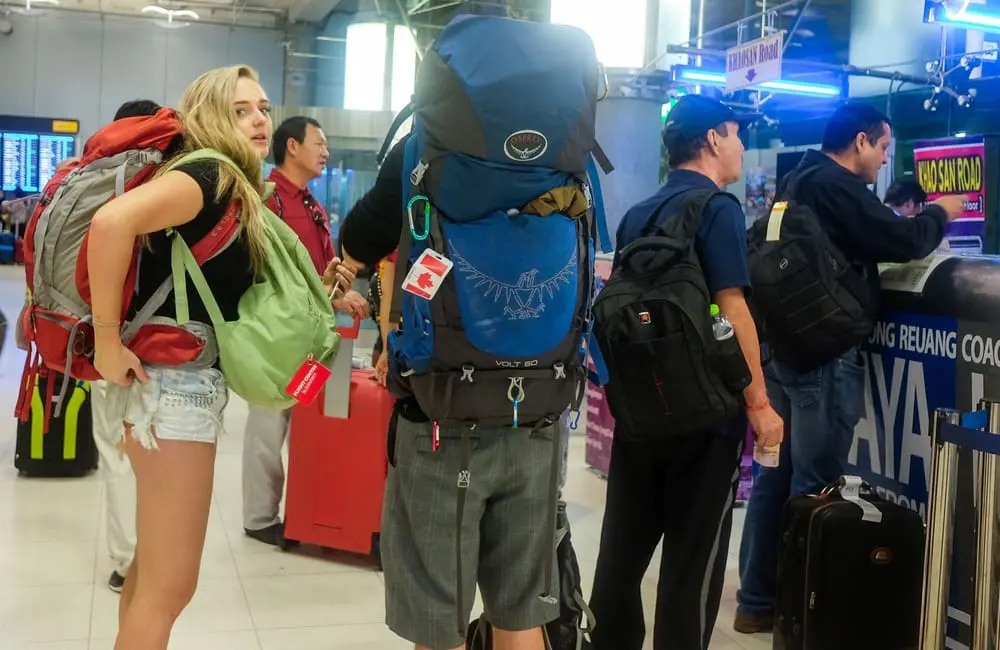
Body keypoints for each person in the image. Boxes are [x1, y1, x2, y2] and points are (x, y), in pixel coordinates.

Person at [86, 64, 350, 650]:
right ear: (209, 117)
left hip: (165, 387)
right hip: (174, 393)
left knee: (151, 577)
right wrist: (106, 341)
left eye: (261, 107)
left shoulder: (225, 182)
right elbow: (110, 224)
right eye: (240, 110)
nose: (259, 119)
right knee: (170, 586)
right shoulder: (209, 174)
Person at [734, 103, 964, 635]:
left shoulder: (798, 179)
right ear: (860, 142)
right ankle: (804, 617)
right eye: (884, 148)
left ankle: (759, 601)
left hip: (788, 350)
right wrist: (942, 212)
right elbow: (902, 240)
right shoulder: (838, 185)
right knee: (817, 484)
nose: (885, 161)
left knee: (776, 481)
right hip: (825, 354)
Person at [585, 95, 783, 650]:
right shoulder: (716, 208)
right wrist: (759, 403)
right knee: (690, 572)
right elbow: (731, 307)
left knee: (620, 560)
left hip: (639, 412)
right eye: (736, 133)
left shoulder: (636, 213)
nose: (741, 144)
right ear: (713, 140)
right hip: (705, 417)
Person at [242, 115, 367, 546]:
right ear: (292, 146)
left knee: (305, 424)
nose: (326, 151)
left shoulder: (310, 204)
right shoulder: (266, 200)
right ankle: (259, 518)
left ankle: (302, 512)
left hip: (312, 337)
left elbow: (313, 274)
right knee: (268, 423)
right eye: (319, 142)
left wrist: (335, 288)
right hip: (278, 336)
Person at [97, 99, 168, 594]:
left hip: (98, 342)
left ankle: (127, 562)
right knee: (150, 452)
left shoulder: (94, 177)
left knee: (115, 456)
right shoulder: (163, 182)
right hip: (150, 340)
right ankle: (151, 556)